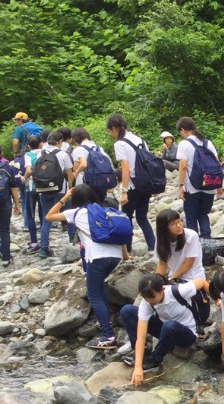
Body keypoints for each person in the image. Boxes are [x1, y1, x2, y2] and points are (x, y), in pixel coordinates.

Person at [46, 184, 127, 347]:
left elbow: (49, 216)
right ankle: (104, 321)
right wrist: (125, 255)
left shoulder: (76, 212)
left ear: (75, 199)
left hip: (97, 258)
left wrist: (64, 198)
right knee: (100, 286)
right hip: (115, 256)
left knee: (93, 295)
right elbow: (119, 233)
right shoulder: (105, 210)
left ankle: (108, 336)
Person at [120, 274, 210, 385]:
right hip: (165, 332)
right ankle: (142, 355)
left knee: (169, 325)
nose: (149, 301)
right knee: (127, 310)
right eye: (146, 298)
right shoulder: (147, 303)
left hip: (187, 334)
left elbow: (201, 282)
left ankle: (155, 359)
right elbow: (141, 335)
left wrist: (217, 299)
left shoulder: (179, 291)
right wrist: (138, 367)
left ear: (162, 289)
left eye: (152, 298)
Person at [107, 113, 155, 252]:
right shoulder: (140, 140)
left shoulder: (120, 144)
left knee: (125, 218)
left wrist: (124, 191)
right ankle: (152, 247)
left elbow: (125, 169)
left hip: (133, 186)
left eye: (111, 131)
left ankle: (127, 250)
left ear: (114, 128)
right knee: (142, 218)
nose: (111, 134)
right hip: (145, 184)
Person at [176, 116, 221, 238]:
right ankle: (207, 241)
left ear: (183, 129)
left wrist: (180, 186)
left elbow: (183, 166)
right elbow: (217, 163)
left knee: (191, 217)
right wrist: (219, 185)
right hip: (210, 185)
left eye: (180, 132)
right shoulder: (208, 143)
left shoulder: (184, 144)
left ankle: (194, 245)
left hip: (192, 187)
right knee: (203, 214)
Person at [34, 131, 75, 259]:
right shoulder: (63, 154)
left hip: (43, 190)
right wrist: (70, 188)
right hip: (60, 190)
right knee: (68, 215)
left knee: (47, 218)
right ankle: (73, 242)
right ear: (59, 141)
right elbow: (70, 174)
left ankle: (44, 249)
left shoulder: (41, 153)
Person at [154, 208, 206, 282]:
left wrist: (171, 280)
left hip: (193, 277)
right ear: (164, 228)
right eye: (173, 224)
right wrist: (157, 281)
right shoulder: (161, 240)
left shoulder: (191, 236)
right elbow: (162, 264)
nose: (178, 226)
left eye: (179, 221)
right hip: (174, 276)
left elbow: (188, 264)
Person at [70, 127, 113, 203]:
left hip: (88, 184)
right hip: (101, 182)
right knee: (100, 204)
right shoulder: (99, 148)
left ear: (75, 139)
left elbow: (83, 165)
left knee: (87, 206)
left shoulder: (78, 150)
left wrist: (76, 173)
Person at [21, 136, 42, 253]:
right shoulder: (44, 152)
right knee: (43, 213)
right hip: (43, 186)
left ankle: (34, 241)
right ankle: (44, 241)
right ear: (40, 143)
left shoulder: (28, 155)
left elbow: (29, 170)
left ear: (29, 146)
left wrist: (24, 178)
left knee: (30, 214)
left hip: (31, 187)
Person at [0, 158, 22, 266]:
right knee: (4, 229)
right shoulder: (7, 167)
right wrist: (17, 204)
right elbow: (13, 188)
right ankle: (6, 258)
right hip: (4, 202)